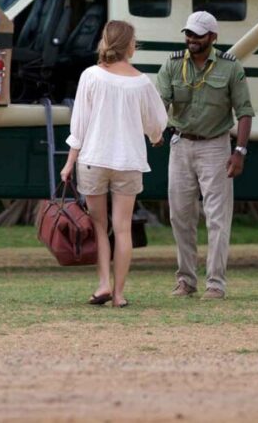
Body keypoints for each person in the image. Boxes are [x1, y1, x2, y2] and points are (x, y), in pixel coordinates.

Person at [60, 20, 167, 308]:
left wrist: (69, 162)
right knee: (122, 228)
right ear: (129, 45)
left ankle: (103, 284)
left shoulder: (91, 76)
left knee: (99, 226)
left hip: (94, 160)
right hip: (129, 162)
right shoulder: (142, 82)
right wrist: (155, 137)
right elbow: (157, 122)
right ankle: (119, 295)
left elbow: (78, 126)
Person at [156, 11, 254, 300]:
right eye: (188, 33)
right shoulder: (173, 65)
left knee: (217, 217)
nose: (191, 39)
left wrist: (240, 151)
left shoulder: (230, 68)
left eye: (198, 35)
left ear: (212, 37)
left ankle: (215, 283)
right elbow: (160, 104)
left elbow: (245, 112)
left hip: (215, 145)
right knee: (180, 215)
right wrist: (154, 130)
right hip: (181, 145)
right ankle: (186, 280)